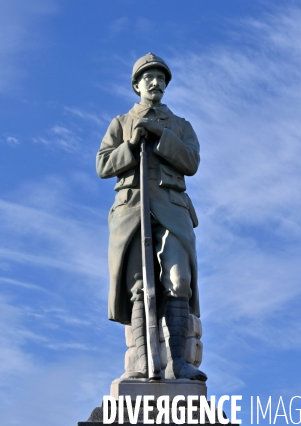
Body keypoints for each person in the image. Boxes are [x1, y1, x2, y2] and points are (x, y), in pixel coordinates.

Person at [97, 52, 206, 382]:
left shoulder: (180, 125)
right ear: (136, 85)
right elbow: (103, 164)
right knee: (140, 287)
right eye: (148, 77)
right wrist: (130, 144)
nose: (155, 82)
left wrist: (160, 137)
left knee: (179, 281)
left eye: (160, 78)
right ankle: (145, 363)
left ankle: (178, 364)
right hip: (132, 211)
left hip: (172, 209)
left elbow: (191, 161)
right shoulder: (121, 122)